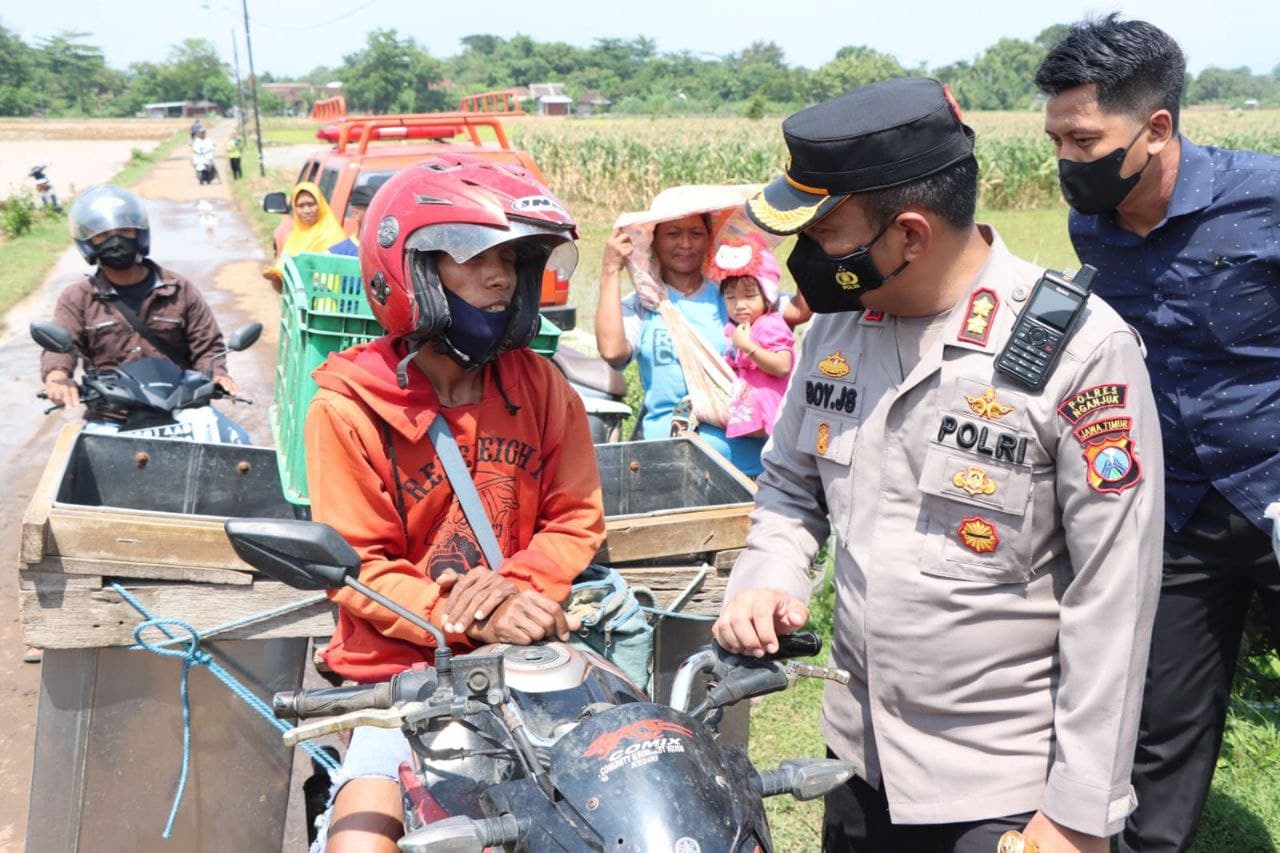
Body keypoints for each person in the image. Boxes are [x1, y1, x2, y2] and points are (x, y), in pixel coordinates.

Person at [713, 77, 1164, 853]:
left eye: (824, 232)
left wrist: (1078, 813)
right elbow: (791, 484)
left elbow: (1114, 598)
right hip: (856, 760)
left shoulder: (1079, 349)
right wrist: (769, 571)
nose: (804, 258)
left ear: (910, 234)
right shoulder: (837, 330)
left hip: (1006, 788)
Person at [303, 154, 606, 852]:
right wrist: (461, 613)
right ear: (409, 269)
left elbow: (573, 516)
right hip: (400, 681)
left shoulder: (541, 385)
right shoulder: (350, 408)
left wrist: (514, 594)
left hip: (529, 659)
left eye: (513, 258)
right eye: (474, 258)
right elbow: (358, 565)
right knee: (362, 843)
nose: (500, 277)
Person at [1036, 17, 1280, 852]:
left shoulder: (1267, 197)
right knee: (1159, 721)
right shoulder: (1091, 224)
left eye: (1084, 139)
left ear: (1157, 128)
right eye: (1056, 139)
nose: (1069, 158)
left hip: (1272, 480)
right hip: (1170, 508)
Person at [596, 212, 768, 475]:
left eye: (696, 234)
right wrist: (610, 270)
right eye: (673, 234)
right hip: (668, 463)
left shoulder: (733, 298)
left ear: (710, 241)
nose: (686, 244)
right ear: (654, 242)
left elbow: (794, 316)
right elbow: (612, 351)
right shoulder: (645, 305)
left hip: (743, 466)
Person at [42, 184, 240, 410]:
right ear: (88, 242)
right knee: (73, 446)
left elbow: (207, 346)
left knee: (237, 441)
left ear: (140, 233)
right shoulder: (77, 297)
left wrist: (217, 375)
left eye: (125, 231)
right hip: (111, 415)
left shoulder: (179, 290)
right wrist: (57, 376)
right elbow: (60, 345)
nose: (115, 242)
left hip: (181, 408)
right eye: (103, 235)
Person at [707, 233, 794, 439]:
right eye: (730, 298)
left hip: (772, 421)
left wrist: (749, 347)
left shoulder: (770, 325)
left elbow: (783, 366)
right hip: (750, 422)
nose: (740, 305)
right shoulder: (736, 329)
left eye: (750, 296)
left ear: (768, 296)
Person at [262, 181, 347, 290]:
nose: (306, 210)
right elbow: (282, 289)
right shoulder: (294, 236)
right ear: (294, 208)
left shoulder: (332, 234)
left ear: (320, 205)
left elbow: (330, 287)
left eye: (311, 204)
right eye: (301, 206)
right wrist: (274, 277)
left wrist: (307, 277)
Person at [329, 179, 387, 257]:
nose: (380, 215)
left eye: (382, 209)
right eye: (372, 209)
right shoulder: (336, 254)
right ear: (355, 213)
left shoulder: (390, 252)